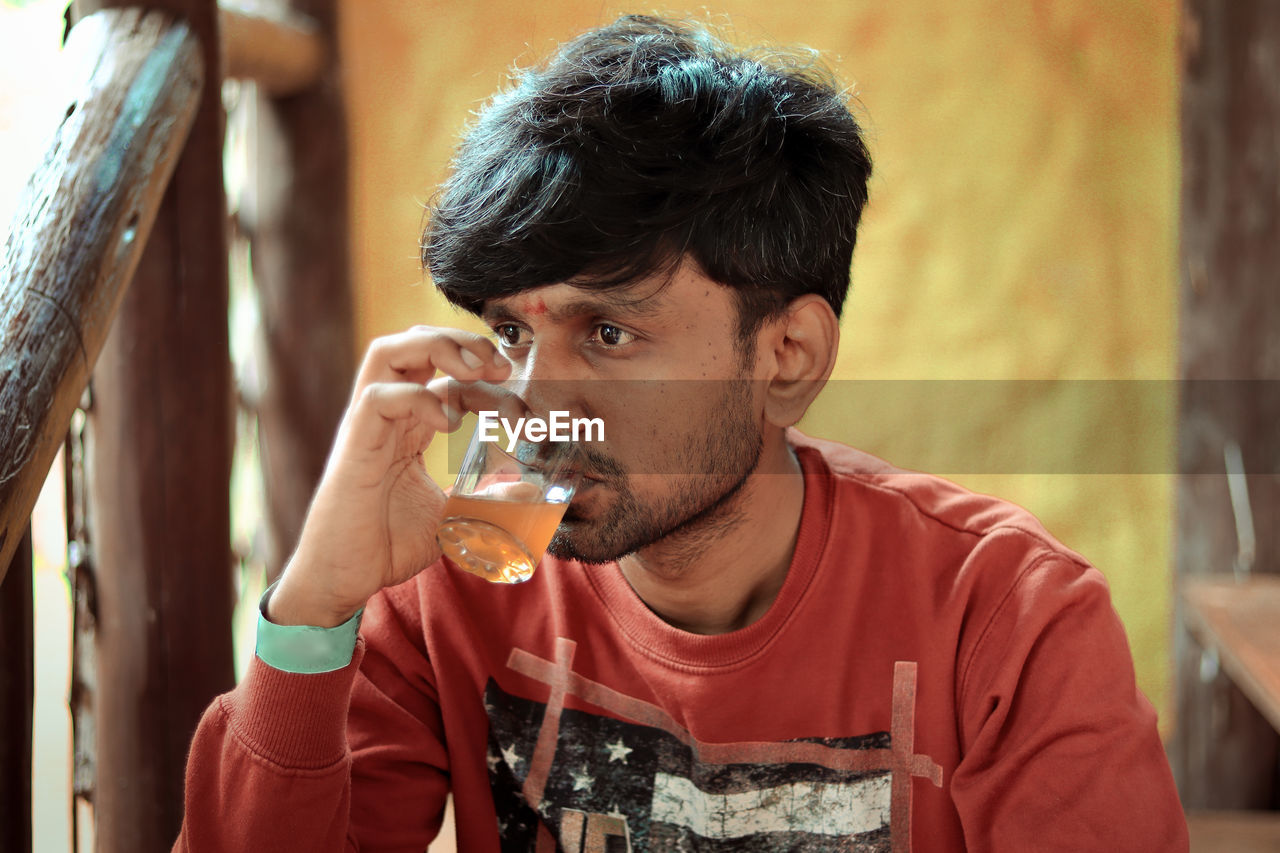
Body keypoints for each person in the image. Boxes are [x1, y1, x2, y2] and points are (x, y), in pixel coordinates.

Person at [175, 14, 1187, 852]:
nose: (532, 397)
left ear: (785, 355)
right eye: (510, 330)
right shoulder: (455, 582)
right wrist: (315, 603)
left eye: (607, 330)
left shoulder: (1004, 621)